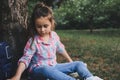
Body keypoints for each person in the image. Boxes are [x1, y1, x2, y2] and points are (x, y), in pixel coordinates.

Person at [8, 2, 103, 80]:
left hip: (54, 66)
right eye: (39, 26)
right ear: (35, 25)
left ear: (51, 23)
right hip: (38, 70)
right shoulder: (33, 41)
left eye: (45, 26)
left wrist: (70, 62)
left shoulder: (54, 36)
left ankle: (90, 77)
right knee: (47, 70)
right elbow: (25, 59)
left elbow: (61, 49)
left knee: (79, 64)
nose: (42, 29)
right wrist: (17, 76)